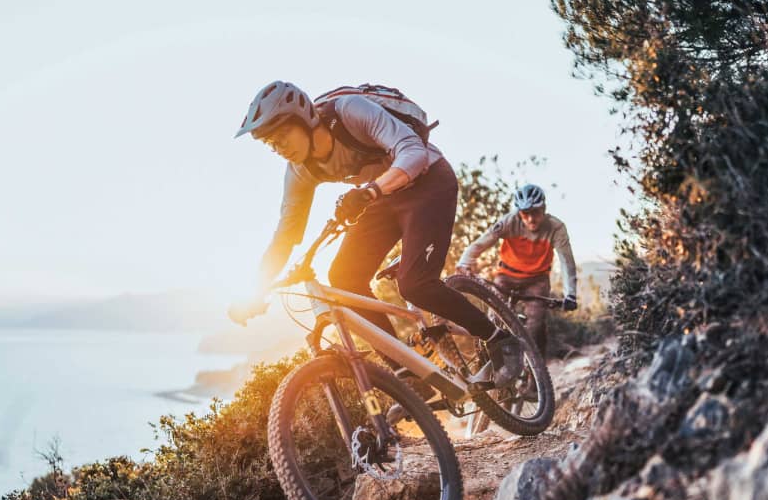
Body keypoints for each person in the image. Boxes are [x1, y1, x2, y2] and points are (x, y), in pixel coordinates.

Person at [227, 80, 525, 387]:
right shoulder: (299, 170)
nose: (278, 147)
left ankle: (501, 341)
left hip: (428, 182)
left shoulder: (349, 112)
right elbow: (285, 235)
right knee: (344, 278)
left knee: (415, 285)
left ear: (303, 118)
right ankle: (409, 378)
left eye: (280, 135)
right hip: (381, 198)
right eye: (269, 143)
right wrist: (255, 292)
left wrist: (370, 192)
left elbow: (412, 152)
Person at [456, 183, 578, 359]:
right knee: (494, 320)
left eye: (535, 212)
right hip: (506, 276)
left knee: (535, 325)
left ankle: (534, 379)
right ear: (519, 212)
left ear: (543, 209)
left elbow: (567, 262)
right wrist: (464, 263)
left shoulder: (556, 227)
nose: (530, 219)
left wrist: (571, 294)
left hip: (537, 280)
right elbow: (481, 243)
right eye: (525, 214)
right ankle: (492, 363)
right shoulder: (509, 221)